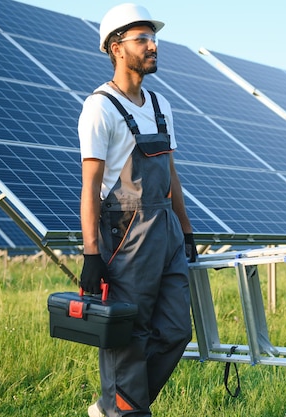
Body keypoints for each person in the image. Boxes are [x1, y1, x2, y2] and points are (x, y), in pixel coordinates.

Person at [77, 3, 197, 416]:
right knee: (130, 339)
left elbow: (171, 174)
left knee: (177, 332)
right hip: (125, 236)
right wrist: (91, 253)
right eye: (142, 39)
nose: (153, 46)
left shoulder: (161, 104)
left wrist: (186, 228)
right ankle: (122, 411)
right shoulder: (100, 107)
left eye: (154, 39)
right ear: (115, 47)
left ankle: (111, 406)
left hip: (166, 231)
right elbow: (90, 187)